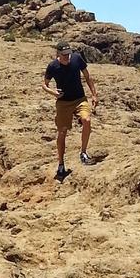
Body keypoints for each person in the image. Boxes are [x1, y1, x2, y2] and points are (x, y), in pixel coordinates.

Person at [42, 40, 98, 179]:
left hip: (80, 99)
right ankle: (61, 164)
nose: (67, 57)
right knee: (62, 132)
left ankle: (83, 153)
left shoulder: (77, 59)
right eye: (64, 55)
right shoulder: (53, 66)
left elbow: (87, 76)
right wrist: (53, 93)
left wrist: (94, 94)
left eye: (68, 54)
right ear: (58, 54)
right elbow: (44, 84)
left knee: (87, 120)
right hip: (63, 102)